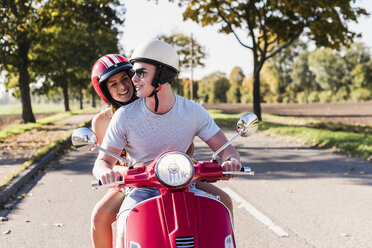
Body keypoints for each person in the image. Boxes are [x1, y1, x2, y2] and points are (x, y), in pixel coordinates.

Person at [93, 40, 242, 246]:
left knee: (220, 208)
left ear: (162, 75)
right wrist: (105, 173)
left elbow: (227, 150)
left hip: (185, 184)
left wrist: (230, 161)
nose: (133, 79)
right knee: (124, 227)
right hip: (141, 187)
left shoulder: (194, 111)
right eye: (134, 73)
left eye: (141, 73)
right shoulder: (125, 116)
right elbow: (103, 162)